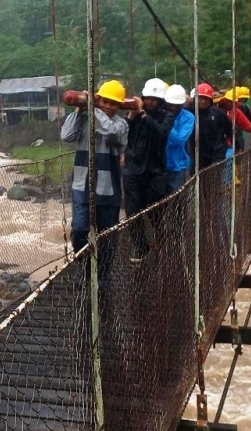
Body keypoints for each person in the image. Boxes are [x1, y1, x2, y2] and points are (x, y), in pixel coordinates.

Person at [61, 79, 129, 289]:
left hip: (108, 190)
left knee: (107, 235)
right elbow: (66, 136)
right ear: (99, 100)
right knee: (80, 231)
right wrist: (80, 112)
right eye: (104, 101)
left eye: (113, 103)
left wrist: (93, 107)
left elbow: (109, 132)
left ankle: (104, 275)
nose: (108, 106)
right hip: (82, 186)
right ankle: (86, 270)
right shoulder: (85, 119)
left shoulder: (121, 124)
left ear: (119, 106)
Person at [122, 77, 174, 260]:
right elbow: (123, 134)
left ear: (160, 101)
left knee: (155, 212)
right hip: (133, 169)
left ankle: (162, 244)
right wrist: (132, 115)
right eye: (147, 98)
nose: (150, 101)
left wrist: (144, 114)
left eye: (154, 99)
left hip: (155, 171)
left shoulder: (166, 116)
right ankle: (140, 248)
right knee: (132, 213)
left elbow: (161, 133)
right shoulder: (135, 116)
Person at [192, 82, 232, 169]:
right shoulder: (190, 114)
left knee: (215, 180)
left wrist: (234, 146)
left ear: (210, 100)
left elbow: (229, 130)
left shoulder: (218, 114)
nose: (203, 101)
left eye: (206, 99)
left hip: (217, 155)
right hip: (198, 157)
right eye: (200, 98)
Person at [164, 84, 194, 192]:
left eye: (177, 105)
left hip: (178, 166)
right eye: (170, 104)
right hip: (159, 165)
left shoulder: (188, 117)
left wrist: (167, 124)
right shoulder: (160, 113)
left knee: (176, 201)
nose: (173, 108)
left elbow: (180, 140)